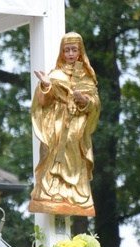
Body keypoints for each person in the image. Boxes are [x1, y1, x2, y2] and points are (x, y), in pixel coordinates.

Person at [30, 31, 100, 217]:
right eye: (66, 50)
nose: (70, 54)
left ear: (79, 52)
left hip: (77, 128)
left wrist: (84, 100)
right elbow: (43, 102)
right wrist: (46, 85)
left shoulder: (86, 76)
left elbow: (95, 103)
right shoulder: (56, 74)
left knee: (75, 160)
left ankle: (76, 196)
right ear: (62, 52)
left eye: (73, 50)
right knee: (54, 159)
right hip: (58, 126)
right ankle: (52, 192)